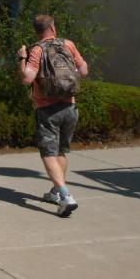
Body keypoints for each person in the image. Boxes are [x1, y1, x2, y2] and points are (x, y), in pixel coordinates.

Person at [17, 14, 88, 217]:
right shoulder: (68, 44)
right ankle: (56, 192)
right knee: (61, 152)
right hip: (70, 107)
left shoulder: (36, 50)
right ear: (53, 28)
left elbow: (27, 78)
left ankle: (66, 196)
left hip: (47, 110)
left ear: (36, 30)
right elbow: (83, 70)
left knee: (48, 154)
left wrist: (22, 58)